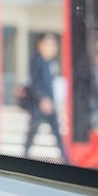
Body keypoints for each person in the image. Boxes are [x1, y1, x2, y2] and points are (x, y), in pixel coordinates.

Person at [24, 33, 68, 162]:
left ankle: (66, 159)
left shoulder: (51, 62)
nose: (53, 47)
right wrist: (43, 99)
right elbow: (34, 83)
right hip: (39, 103)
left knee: (57, 132)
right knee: (32, 131)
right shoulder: (36, 60)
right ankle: (24, 155)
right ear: (41, 44)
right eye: (49, 43)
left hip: (51, 103)